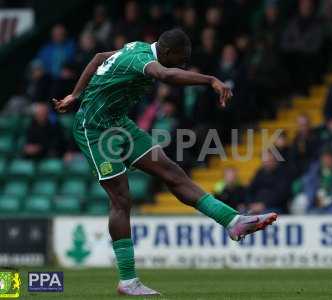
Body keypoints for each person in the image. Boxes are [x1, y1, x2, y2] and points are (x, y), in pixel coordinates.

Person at [53, 28, 277, 296]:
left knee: (173, 173)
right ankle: (127, 280)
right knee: (121, 199)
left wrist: (75, 95)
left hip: (119, 125)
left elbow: (100, 57)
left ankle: (232, 221)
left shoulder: (138, 48)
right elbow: (166, 75)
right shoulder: (144, 61)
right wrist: (210, 80)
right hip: (94, 130)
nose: (182, 64)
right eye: (181, 59)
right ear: (167, 52)